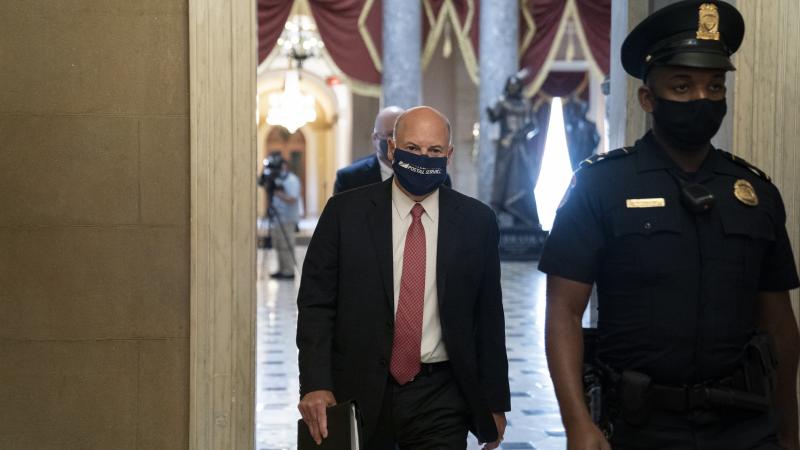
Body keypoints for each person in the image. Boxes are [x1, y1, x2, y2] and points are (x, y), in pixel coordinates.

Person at [539, 1, 800, 449]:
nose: (701, 99)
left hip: (744, 424)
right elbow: (563, 311)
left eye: (714, 87)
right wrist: (576, 422)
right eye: (682, 86)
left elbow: (780, 323)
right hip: (640, 426)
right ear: (648, 98)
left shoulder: (754, 194)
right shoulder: (600, 186)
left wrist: (789, 426)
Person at [297, 106, 510, 449]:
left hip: (441, 394)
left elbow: (488, 317)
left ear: (449, 155)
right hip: (358, 389)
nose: (423, 158)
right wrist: (315, 383)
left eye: (434, 151)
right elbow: (316, 305)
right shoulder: (344, 213)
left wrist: (496, 401)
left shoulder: (477, 222)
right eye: (412, 149)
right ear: (392, 150)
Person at [334, 106, 452, 194]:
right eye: (391, 134)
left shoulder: (438, 176)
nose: (395, 141)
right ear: (376, 139)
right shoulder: (349, 178)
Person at [260, 152, 301, 280]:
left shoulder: (291, 180)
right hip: (277, 218)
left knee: (286, 245)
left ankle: (289, 271)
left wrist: (278, 193)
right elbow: (261, 183)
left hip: (287, 218)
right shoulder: (275, 178)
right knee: (278, 244)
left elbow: (293, 199)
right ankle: (282, 270)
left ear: (284, 165)